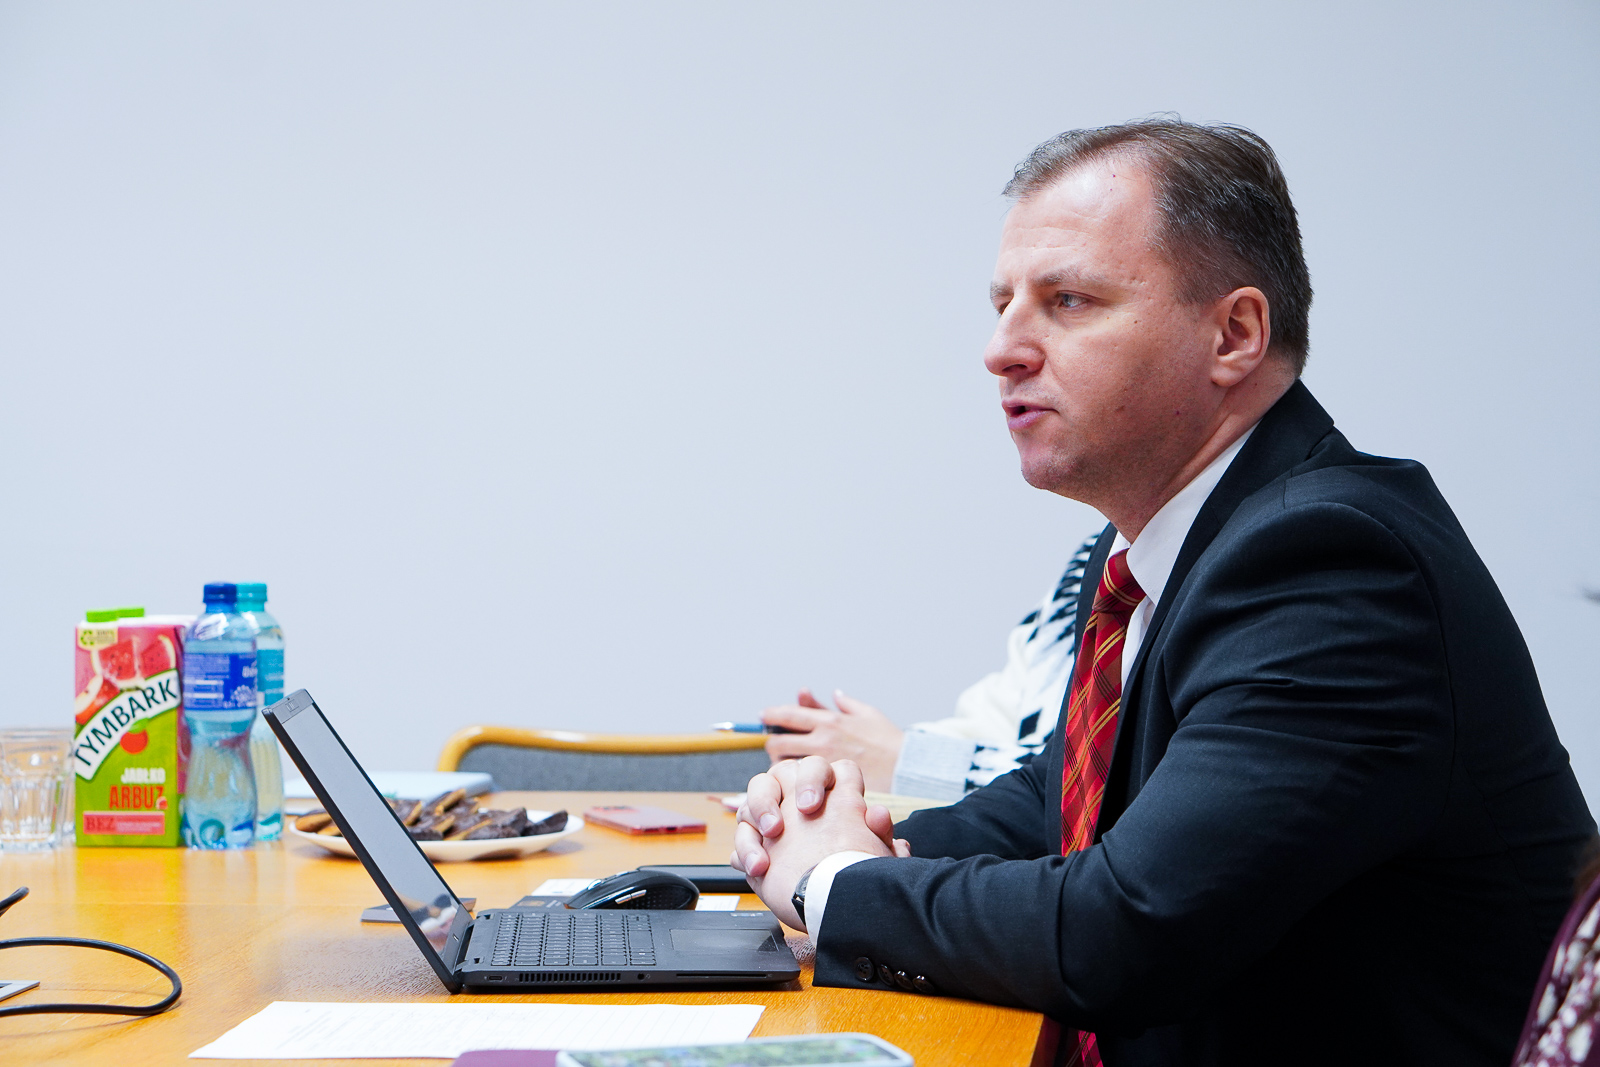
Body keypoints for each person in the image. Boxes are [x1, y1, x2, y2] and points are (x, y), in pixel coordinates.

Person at [728, 118, 1595, 1067]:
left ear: (1234, 334)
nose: (1001, 349)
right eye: (1003, 303)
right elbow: (1063, 802)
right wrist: (839, 834)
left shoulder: (1332, 561)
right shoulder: (1178, 540)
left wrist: (836, 883)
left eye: (1067, 300)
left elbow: (1126, 930)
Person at [759, 534, 1098, 799]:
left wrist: (905, 761)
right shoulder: (1094, 561)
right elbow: (998, 723)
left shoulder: (1116, 577)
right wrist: (852, 746)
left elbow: (1093, 790)